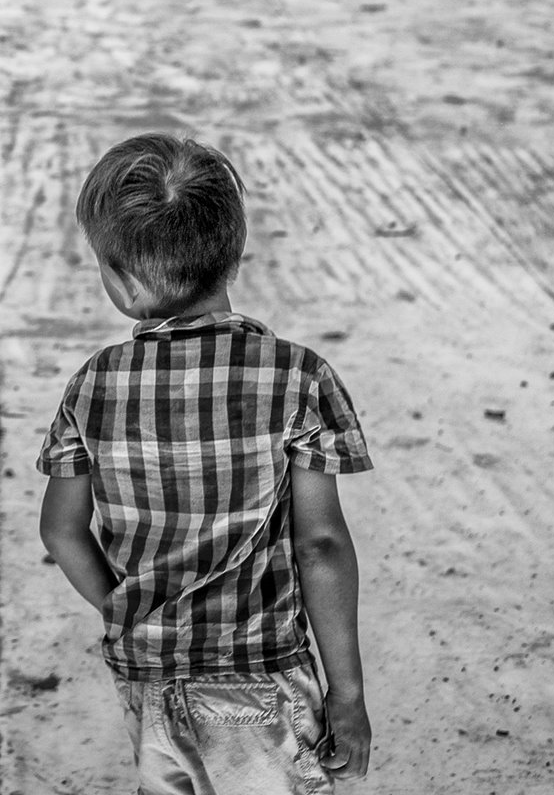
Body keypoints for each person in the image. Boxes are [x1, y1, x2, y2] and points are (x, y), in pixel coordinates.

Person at [37, 133, 373, 794]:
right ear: (233, 256)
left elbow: (61, 530)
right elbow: (322, 544)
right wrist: (349, 695)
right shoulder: (300, 379)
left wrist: (129, 611)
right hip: (262, 677)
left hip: (148, 680)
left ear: (125, 282)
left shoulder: (93, 385)